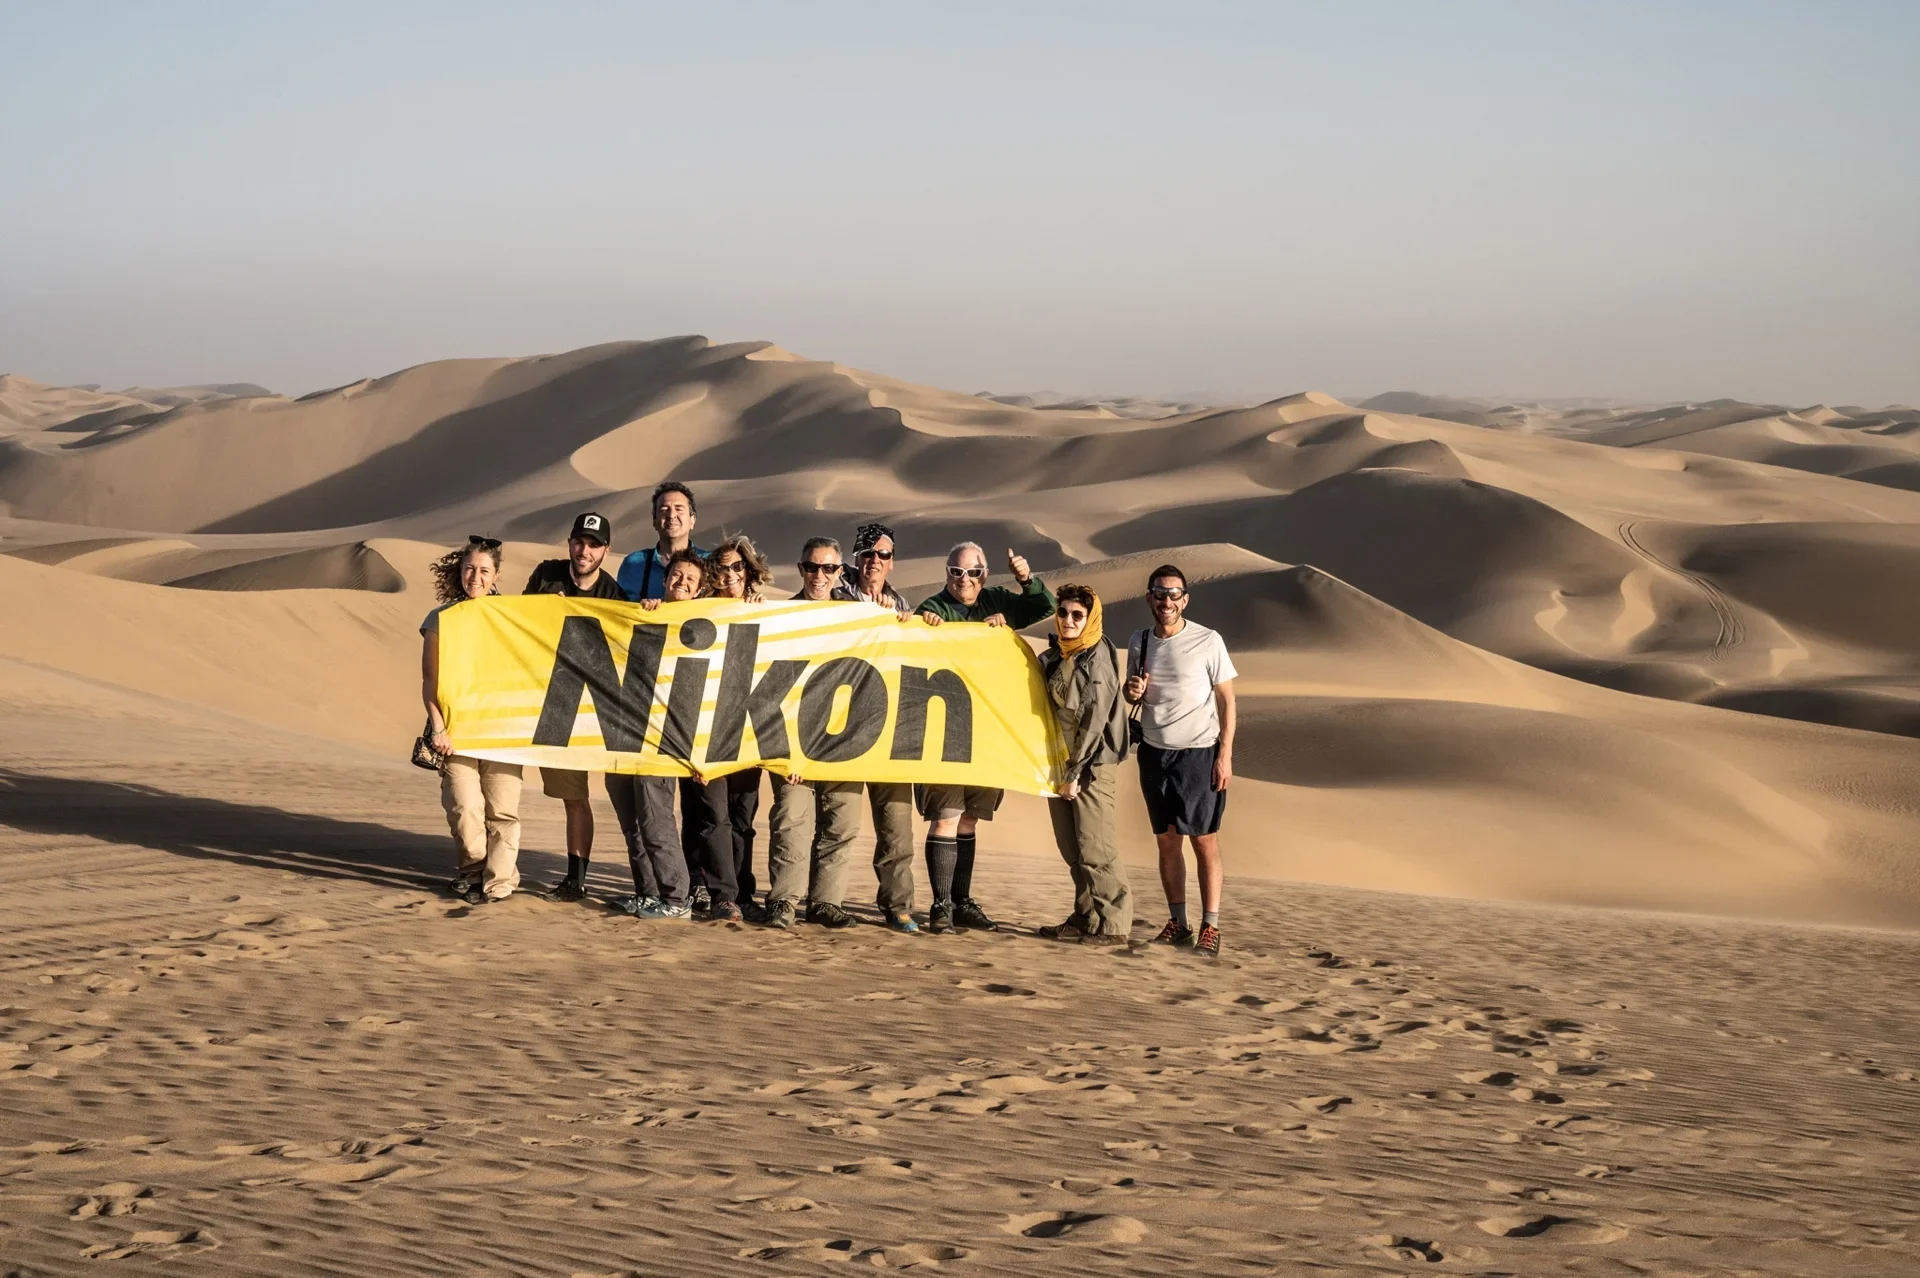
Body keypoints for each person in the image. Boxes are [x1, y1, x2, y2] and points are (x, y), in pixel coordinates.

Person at [914, 541, 1056, 933]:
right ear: (947, 573)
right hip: (943, 731)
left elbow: (1044, 607)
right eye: (956, 572)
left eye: (973, 573)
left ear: (985, 574)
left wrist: (1025, 579)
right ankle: (941, 905)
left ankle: (962, 902)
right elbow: (909, 650)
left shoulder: (997, 599)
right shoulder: (934, 607)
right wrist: (922, 628)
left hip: (987, 733)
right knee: (945, 817)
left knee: (969, 820)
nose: (965, 580)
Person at [1123, 564, 1237, 959]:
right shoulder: (1139, 641)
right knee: (1167, 841)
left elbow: (1227, 699)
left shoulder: (1208, 640)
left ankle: (1211, 926)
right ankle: (1179, 924)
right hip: (1154, 753)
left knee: (1204, 841)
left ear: (1185, 600)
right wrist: (1132, 691)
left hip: (1198, 753)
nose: (1167, 601)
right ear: (1149, 598)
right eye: (1160, 593)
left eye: (1174, 594)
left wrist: (1225, 754)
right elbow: (1133, 695)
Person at [763, 536, 874, 930]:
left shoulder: (858, 618)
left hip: (844, 739)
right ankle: (784, 901)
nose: (819, 575)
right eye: (812, 566)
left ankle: (826, 902)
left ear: (840, 572)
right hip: (792, 742)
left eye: (829, 568)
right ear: (801, 569)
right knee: (791, 820)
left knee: (842, 824)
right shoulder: (782, 617)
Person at [522, 512, 628, 902]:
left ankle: (576, 879)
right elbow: (517, 623)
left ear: (606, 551)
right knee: (504, 780)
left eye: (594, 545)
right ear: (569, 543)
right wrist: (542, 608)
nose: (585, 551)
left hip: (582, 710)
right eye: (579, 542)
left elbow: (623, 650)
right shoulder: (546, 575)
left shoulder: (613, 595)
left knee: (576, 797)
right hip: (535, 699)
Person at [639, 548, 741, 922]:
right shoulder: (649, 615)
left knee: (714, 814)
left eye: (690, 579)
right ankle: (678, 891)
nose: (681, 582)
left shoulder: (710, 621)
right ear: (665, 579)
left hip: (705, 735)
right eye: (676, 576)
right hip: (658, 735)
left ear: (699, 590)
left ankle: (724, 896)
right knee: (659, 815)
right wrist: (647, 613)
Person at [420, 536, 523, 905]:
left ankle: (500, 883)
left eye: (483, 570)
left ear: (495, 576)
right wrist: (438, 727)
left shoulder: (511, 617)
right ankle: (473, 871)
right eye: (469, 568)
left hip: (503, 731)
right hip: (457, 732)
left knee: (503, 812)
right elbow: (430, 679)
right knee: (464, 809)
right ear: (459, 571)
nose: (475, 577)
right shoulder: (441, 618)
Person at [830, 522, 920, 932]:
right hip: (842, 728)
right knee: (838, 825)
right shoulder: (835, 595)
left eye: (883, 555)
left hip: (889, 731)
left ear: (892, 562)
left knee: (896, 828)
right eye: (867, 554)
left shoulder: (900, 604)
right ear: (856, 558)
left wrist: (915, 625)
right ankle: (825, 902)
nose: (874, 561)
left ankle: (898, 905)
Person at [1035, 585, 1134, 945]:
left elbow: (1094, 722)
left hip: (1090, 765)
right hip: (1061, 764)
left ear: (1090, 618)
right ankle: (1085, 917)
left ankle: (1114, 925)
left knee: (1096, 847)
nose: (1068, 620)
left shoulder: (1097, 658)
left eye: (1077, 615)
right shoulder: (1059, 655)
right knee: (1072, 848)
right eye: (1062, 612)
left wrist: (1076, 773)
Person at [705, 534, 776, 922]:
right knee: (714, 818)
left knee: (743, 817)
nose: (730, 574)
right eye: (723, 567)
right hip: (709, 730)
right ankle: (722, 894)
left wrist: (763, 615)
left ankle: (744, 893)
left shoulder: (763, 611)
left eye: (738, 566)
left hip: (750, 730)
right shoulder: (702, 610)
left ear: (749, 571)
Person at [615, 481, 703, 601]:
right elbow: (619, 607)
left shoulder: (710, 563)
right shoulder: (633, 564)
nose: (671, 515)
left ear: (692, 520)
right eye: (664, 509)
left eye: (679, 509)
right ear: (654, 521)